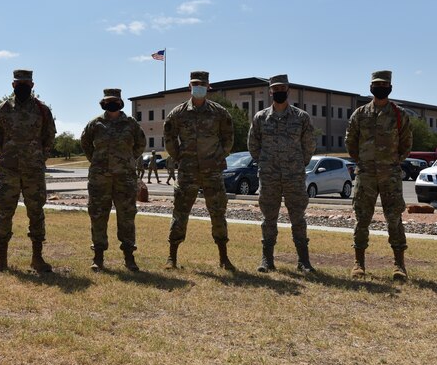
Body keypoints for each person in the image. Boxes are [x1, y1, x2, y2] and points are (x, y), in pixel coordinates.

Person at [163, 71, 236, 270]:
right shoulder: (178, 113)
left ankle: (223, 258)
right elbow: (169, 138)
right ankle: (172, 258)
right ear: (189, 86)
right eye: (195, 84)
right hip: (188, 172)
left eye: (202, 84)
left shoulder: (219, 112)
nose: (199, 87)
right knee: (180, 213)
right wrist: (180, 157)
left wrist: (219, 156)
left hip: (212, 171)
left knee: (218, 212)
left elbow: (228, 137)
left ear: (208, 86)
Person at [345, 70, 412, 281]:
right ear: (371, 87)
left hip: (390, 175)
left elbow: (406, 144)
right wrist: (363, 161)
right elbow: (351, 142)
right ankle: (359, 264)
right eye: (377, 84)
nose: (380, 87)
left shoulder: (399, 114)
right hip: (365, 175)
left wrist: (391, 163)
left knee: (394, 219)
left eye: (384, 84)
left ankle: (399, 265)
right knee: (362, 218)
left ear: (390, 87)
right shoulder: (360, 114)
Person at [0, 69, 57, 272]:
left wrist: (39, 156)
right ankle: (1, 259)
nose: (22, 88)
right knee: (4, 213)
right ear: (13, 85)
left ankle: (37, 259)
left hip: (33, 171)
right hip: (8, 170)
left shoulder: (42, 110)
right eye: (19, 84)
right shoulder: (3, 109)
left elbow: (50, 136)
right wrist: (5, 154)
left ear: (32, 85)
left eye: (26, 84)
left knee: (36, 213)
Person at [248, 74, 317, 273]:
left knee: (298, 217)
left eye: (282, 89)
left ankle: (303, 261)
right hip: (269, 177)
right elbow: (253, 145)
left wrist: (296, 164)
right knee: (269, 218)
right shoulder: (261, 118)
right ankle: (267, 260)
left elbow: (309, 145)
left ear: (288, 90)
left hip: (294, 176)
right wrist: (265, 162)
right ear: (270, 91)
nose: (279, 92)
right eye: (275, 89)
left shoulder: (301, 117)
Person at [80, 89, 146, 271]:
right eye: (108, 101)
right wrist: (96, 160)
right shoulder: (96, 124)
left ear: (120, 102)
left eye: (115, 101)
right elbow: (85, 143)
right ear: (103, 103)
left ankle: (129, 257)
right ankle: (98, 257)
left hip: (125, 178)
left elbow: (141, 143)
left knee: (127, 217)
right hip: (99, 178)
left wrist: (128, 159)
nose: (112, 104)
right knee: (98, 216)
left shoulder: (131, 124)